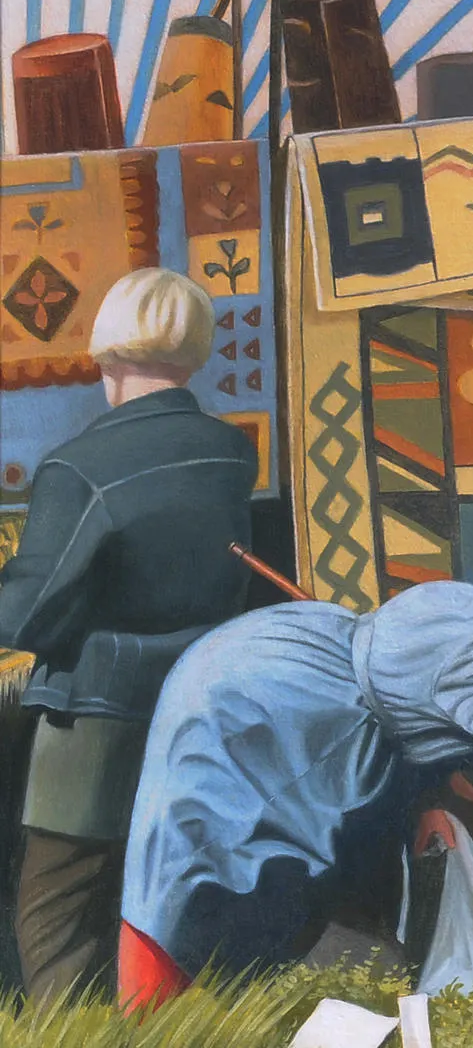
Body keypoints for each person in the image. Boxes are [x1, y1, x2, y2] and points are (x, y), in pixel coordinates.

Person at [118, 544, 473, 1008]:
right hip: (265, 711)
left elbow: (418, 717)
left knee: (299, 926)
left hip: (326, 737)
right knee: (207, 879)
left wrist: (424, 803)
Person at [0, 270, 258, 1002]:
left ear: (103, 350)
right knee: (151, 902)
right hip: (195, 706)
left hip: (95, 721)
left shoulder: (80, 468)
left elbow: (26, 616)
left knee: (55, 917)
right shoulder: (230, 454)